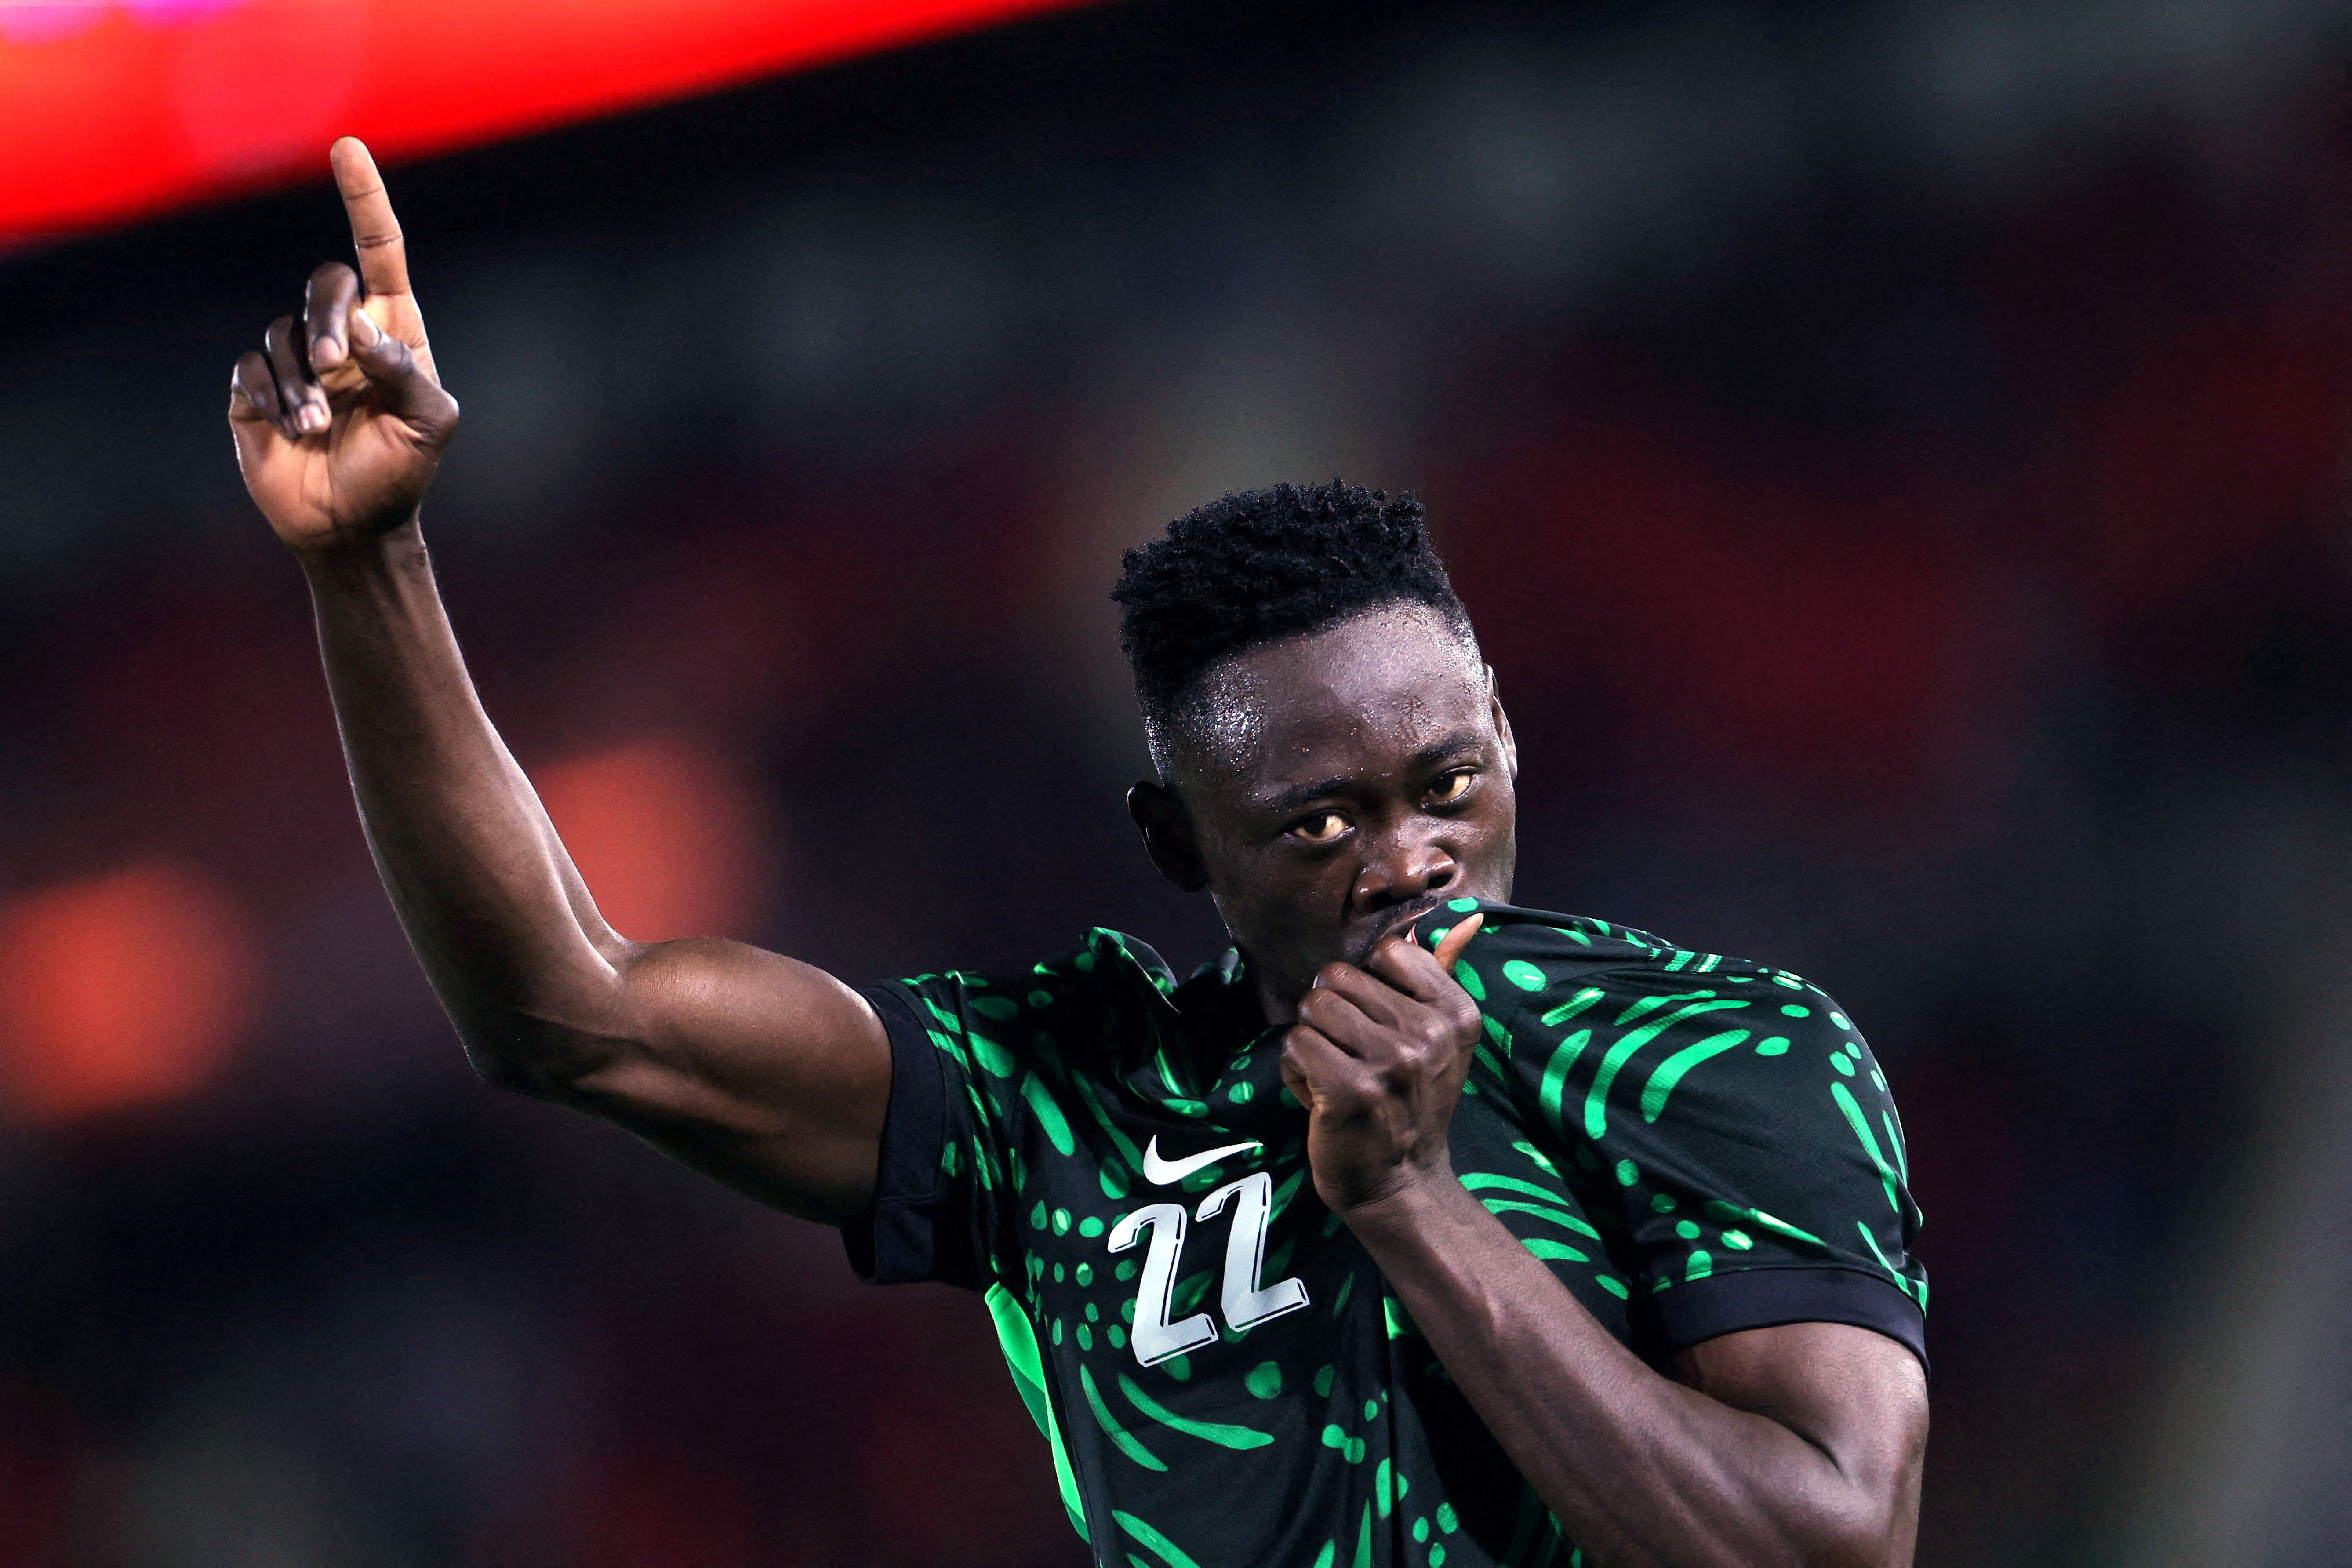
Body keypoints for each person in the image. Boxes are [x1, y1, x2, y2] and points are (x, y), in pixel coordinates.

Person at [228, 139, 1928, 1568]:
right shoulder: (1067, 1098)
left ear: (1509, 744)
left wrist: (1412, 1203)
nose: (1408, 860)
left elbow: (1830, 1543)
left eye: (1447, 784)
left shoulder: (1717, 1048)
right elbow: (570, 1014)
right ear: (1176, 846)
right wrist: (367, 566)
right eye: (1319, 822)